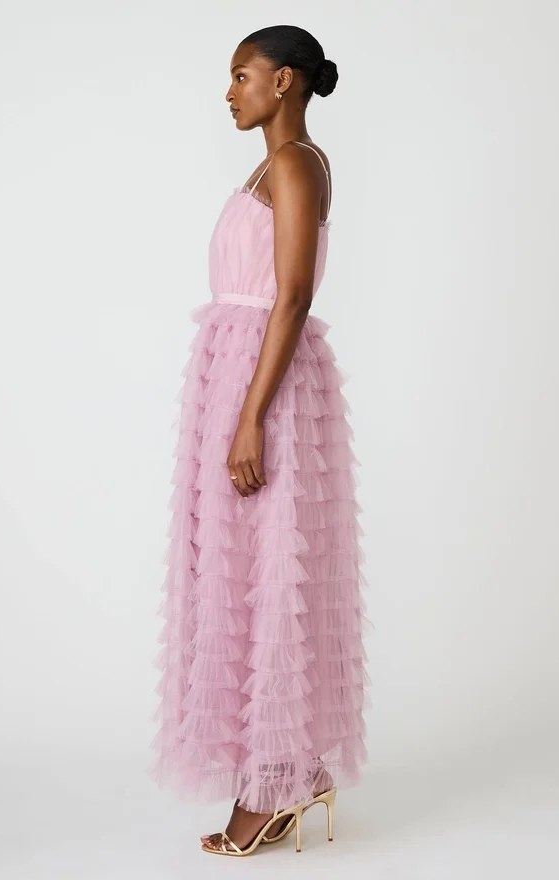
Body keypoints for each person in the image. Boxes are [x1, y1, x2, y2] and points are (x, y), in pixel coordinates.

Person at [151, 24, 369, 857]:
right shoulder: (271, 165)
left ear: (284, 82)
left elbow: (293, 294)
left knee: (274, 575)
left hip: (264, 386)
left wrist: (250, 416)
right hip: (238, 377)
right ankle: (288, 771)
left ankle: (272, 785)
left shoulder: (295, 164)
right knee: (243, 573)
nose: (230, 91)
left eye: (242, 76)